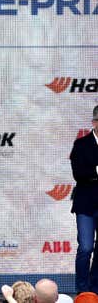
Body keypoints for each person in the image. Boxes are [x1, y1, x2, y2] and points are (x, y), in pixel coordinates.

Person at [70, 105, 98, 293]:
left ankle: (95, 289)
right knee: (86, 247)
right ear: (94, 123)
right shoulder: (81, 144)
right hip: (86, 204)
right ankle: (82, 290)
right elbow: (78, 173)